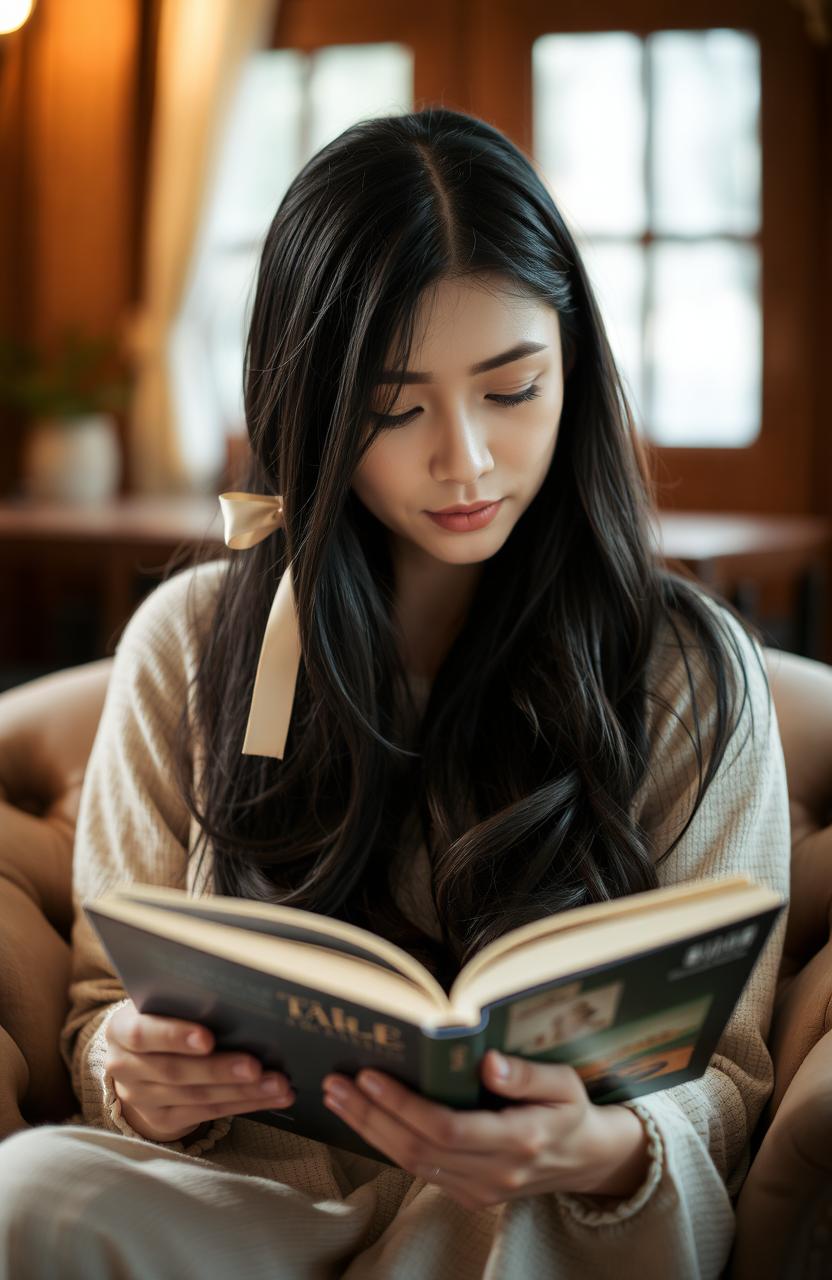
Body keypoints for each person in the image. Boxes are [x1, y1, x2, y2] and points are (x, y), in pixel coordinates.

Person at [0, 105, 789, 1279]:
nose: (463, 458)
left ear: (572, 367)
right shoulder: (188, 642)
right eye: (395, 406)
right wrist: (135, 1067)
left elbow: (725, 1074)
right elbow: (102, 1011)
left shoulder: (682, 668)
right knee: (31, 1196)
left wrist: (597, 1148)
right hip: (242, 1203)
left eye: (512, 390)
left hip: (537, 1220)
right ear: (309, 401)